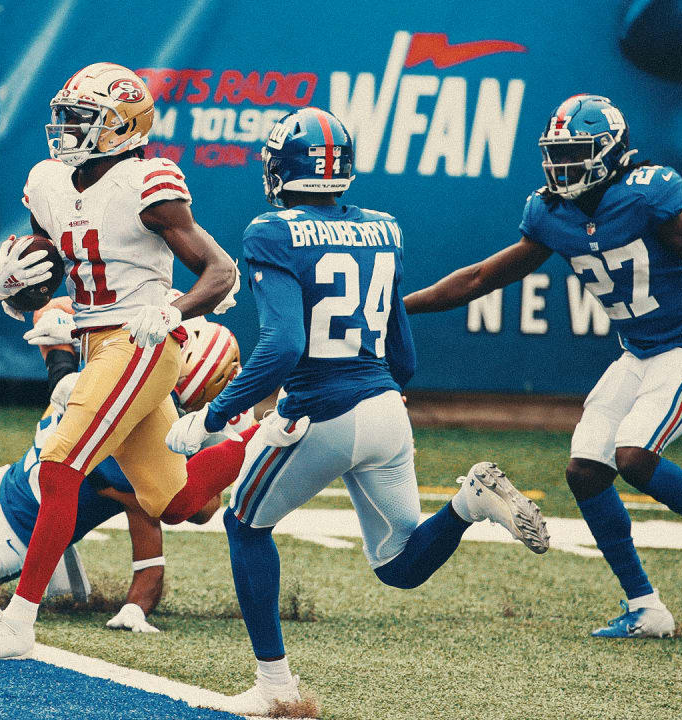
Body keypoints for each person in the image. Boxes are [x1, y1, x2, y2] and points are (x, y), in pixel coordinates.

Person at [166, 107, 550, 717]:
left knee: (244, 523)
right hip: (382, 408)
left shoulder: (272, 230)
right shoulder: (382, 227)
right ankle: (470, 500)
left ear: (282, 167)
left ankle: (276, 688)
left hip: (319, 411)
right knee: (399, 564)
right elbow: (402, 345)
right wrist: (385, 393)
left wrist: (214, 416)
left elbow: (285, 345)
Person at [403, 94, 682, 638]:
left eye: (576, 153)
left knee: (633, 455)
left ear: (610, 154)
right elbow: (478, 280)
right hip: (637, 351)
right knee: (585, 471)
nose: (562, 166)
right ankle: (645, 606)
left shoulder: (647, 196)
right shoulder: (551, 214)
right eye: (556, 153)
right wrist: (400, 309)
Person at [0, 62, 237, 660]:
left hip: (141, 342)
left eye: (81, 119)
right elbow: (46, 273)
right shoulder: (49, 182)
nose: (65, 129)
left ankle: (17, 625)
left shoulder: (147, 183)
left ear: (121, 127)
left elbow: (221, 272)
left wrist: (173, 312)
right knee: (176, 503)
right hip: (94, 343)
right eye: (64, 116)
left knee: (57, 467)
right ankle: (263, 436)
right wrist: (9, 287)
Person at [0, 300, 243, 631]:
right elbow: (50, 311)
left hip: (12, 536)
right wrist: (61, 371)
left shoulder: (151, 446)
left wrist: (136, 605)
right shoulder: (119, 357)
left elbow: (166, 528)